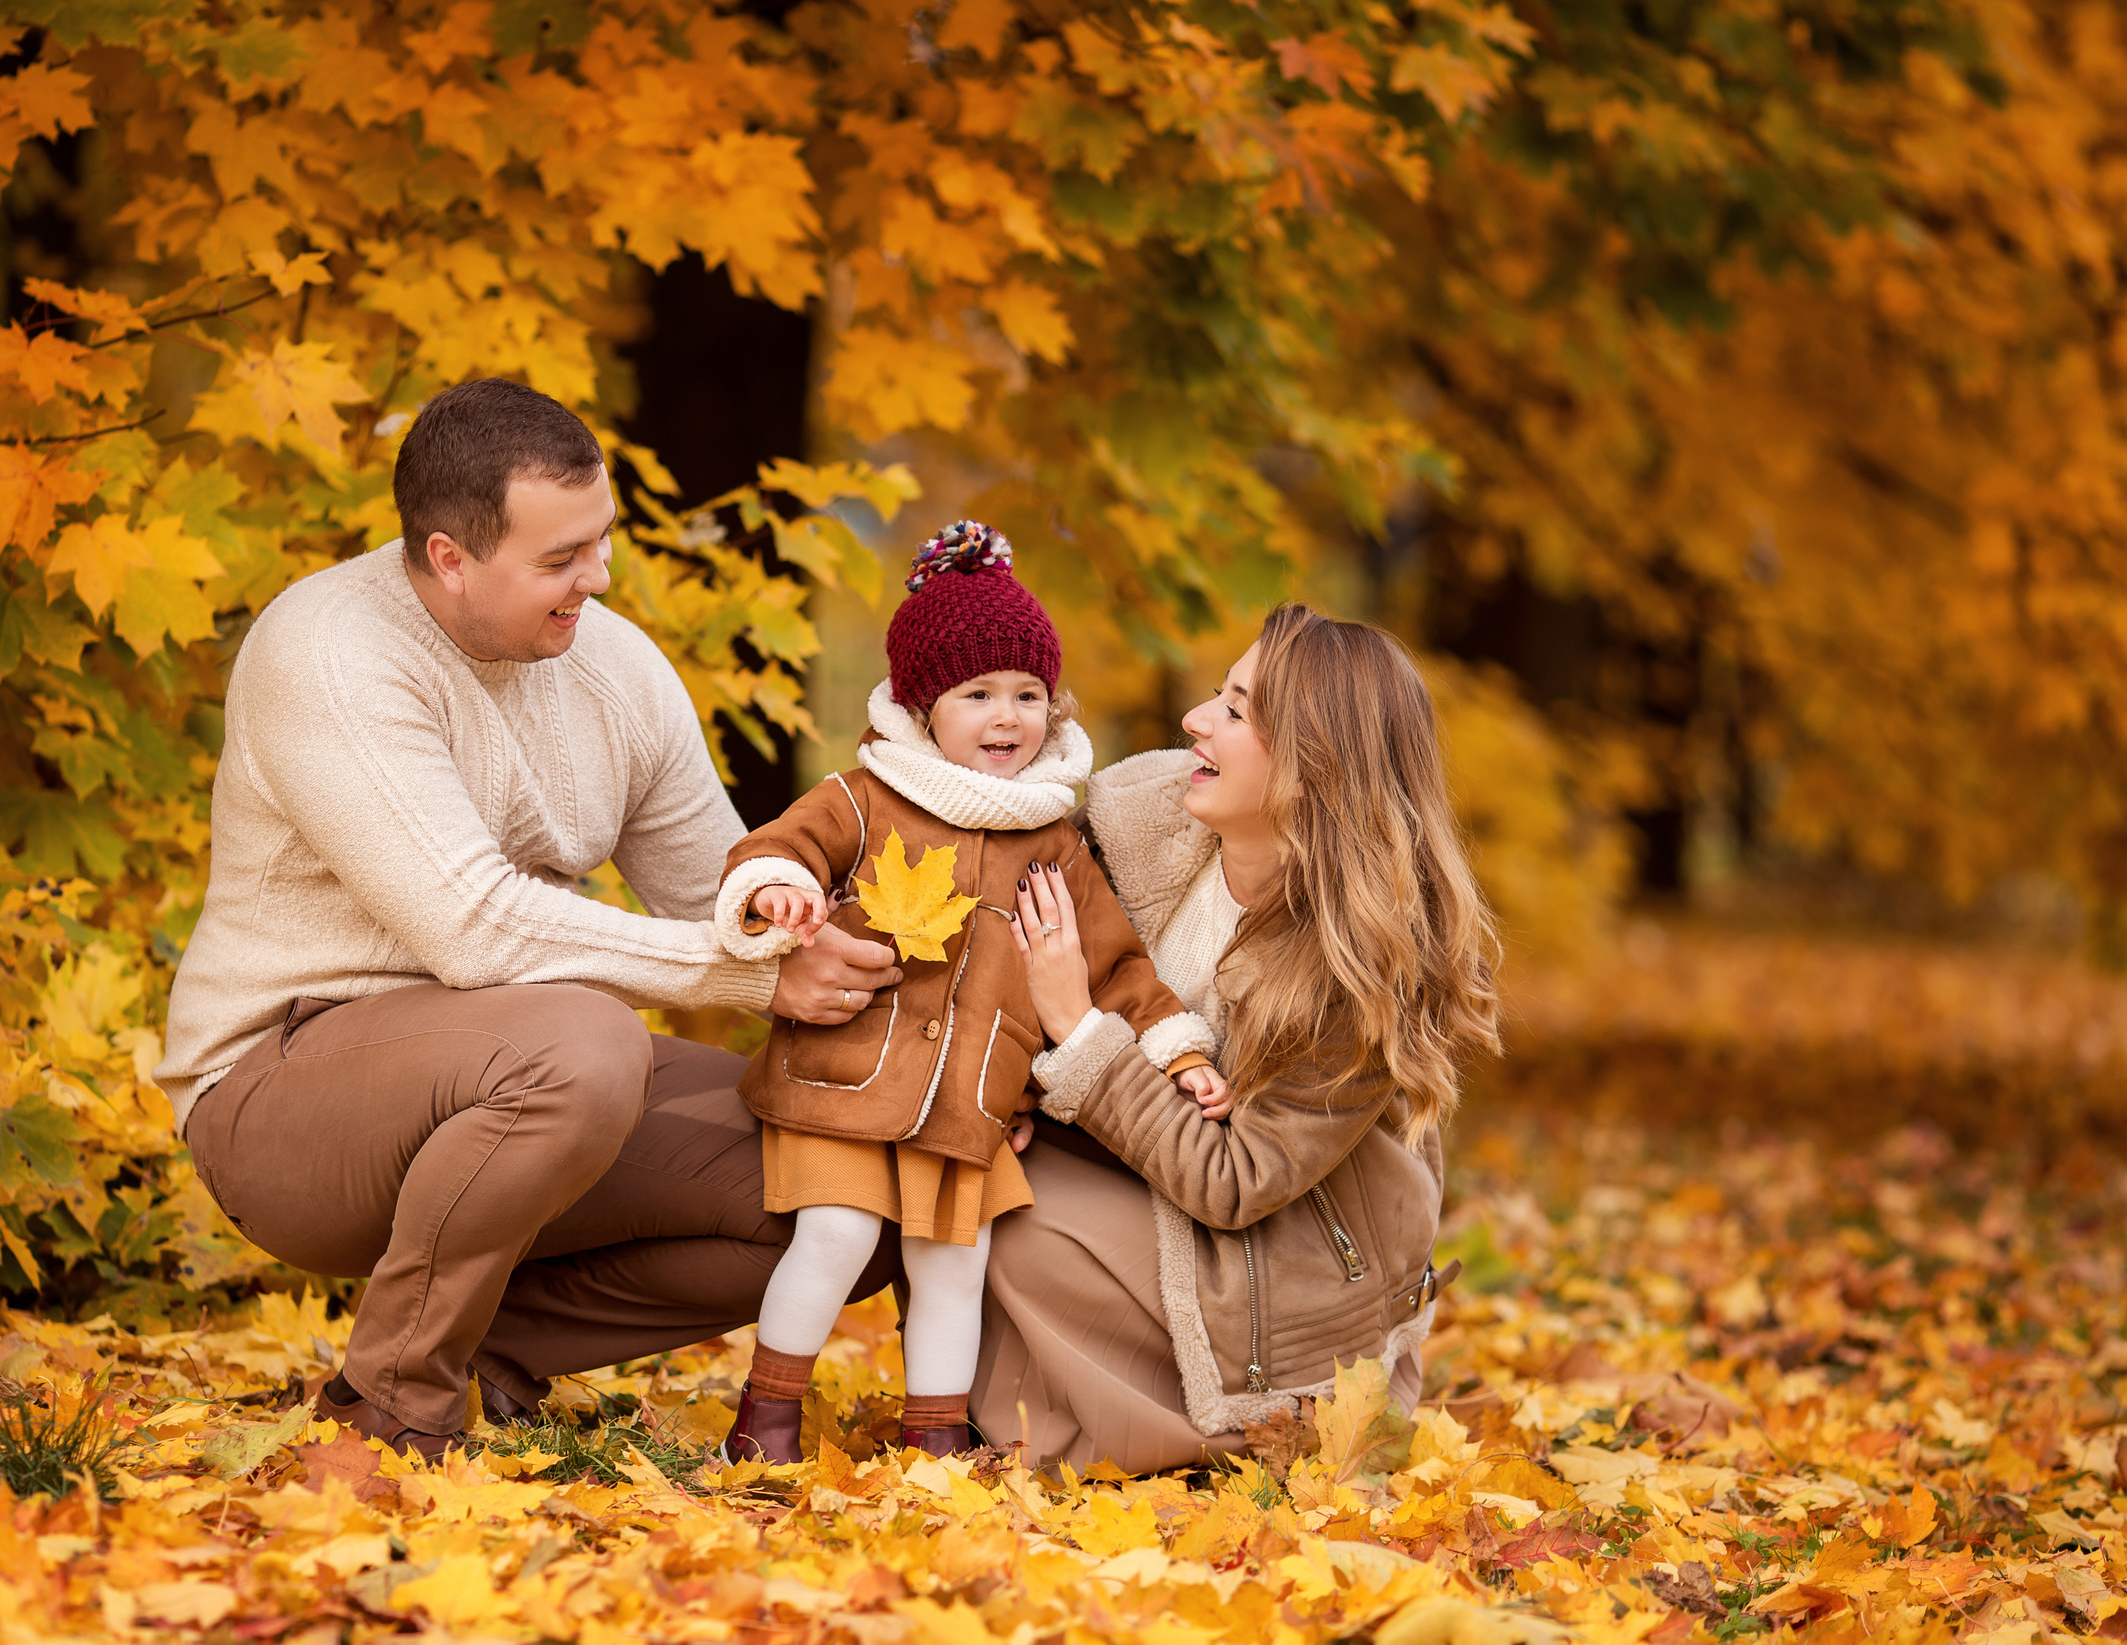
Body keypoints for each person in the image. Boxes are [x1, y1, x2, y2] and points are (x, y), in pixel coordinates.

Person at [157, 378, 907, 1459]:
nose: (595, 579)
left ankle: (488, 1349)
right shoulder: (330, 652)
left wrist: (915, 1027)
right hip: (281, 1090)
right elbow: (473, 927)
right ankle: (390, 1406)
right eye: (560, 559)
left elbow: (725, 896)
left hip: (514, 1076)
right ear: (450, 556)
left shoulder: (614, 667)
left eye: (601, 542)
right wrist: (749, 970)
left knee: (855, 1168)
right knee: (585, 1041)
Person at [704, 521, 1226, 1463]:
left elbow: (1118, 968)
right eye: (977, 693)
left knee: (956, 1263)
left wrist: (1178, 1049)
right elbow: (778, 844)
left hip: (968, 1101)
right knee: (834, 1236)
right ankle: (766, 1418)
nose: (1006, 716)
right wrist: (775, 888)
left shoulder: (1053, 841)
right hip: (849, 1079)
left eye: (1028, 695)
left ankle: (937, 1437)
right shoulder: (867, 796)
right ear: (923, 704)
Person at [976, 604, 1503, 1473]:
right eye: (1215, 696)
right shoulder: (1139, 826)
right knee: (959, 1167)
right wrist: (1015, 1091)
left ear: (1314, 760)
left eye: (1234, 708)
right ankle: (988, 1411)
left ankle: (1210, 1436)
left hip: (1286, 1276)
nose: (1195, 720)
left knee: (1014, 1220)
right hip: (1151, 1185)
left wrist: (1076, 1028)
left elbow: (1234, 1182)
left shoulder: (1359, 964)